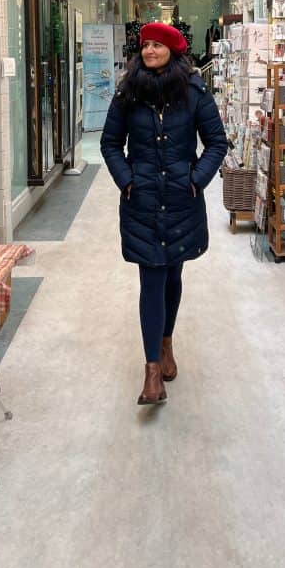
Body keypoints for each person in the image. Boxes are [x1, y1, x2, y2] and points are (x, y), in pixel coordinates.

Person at [100, 22, 227, 406]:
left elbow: (217, 142)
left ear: (173, 48)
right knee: (152, 279)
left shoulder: (192, 91)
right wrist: (127, 180)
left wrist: (196, 179)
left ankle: (166, 342)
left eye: (157, 45)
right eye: (146, 46)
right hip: (141, 202)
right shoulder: (129, 92)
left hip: (181, 199)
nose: (150, 51)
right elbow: (109, 143)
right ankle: (152, 369)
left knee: (173, 273)